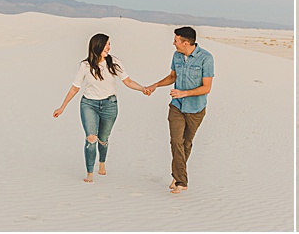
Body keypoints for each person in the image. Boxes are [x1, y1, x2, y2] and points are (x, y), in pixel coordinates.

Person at [53, 33, 151, 183]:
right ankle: (90, 173)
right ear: (97, 46)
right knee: (91, 138)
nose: (109, 47)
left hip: (109, 105)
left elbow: (128, 81)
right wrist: (62, 107)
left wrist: (142, 88)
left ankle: (102, 163)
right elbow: (75, 87)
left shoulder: (114, 62)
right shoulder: (85, 65)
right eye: (106, 45)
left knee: (103, 139)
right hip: (89, 104)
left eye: (109, 44)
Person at [144, 26, 214, 194]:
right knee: (176, 141)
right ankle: (182, 181)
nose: (173, 43)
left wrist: (185, 93)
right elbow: (172, 77)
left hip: (196, 109)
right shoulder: (176, 55)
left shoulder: (206, 58)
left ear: (185, 42)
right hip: (177, 106)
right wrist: (155, 85)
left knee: (186, 144)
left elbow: (207, 88)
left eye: (176, 40)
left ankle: (177, 175)